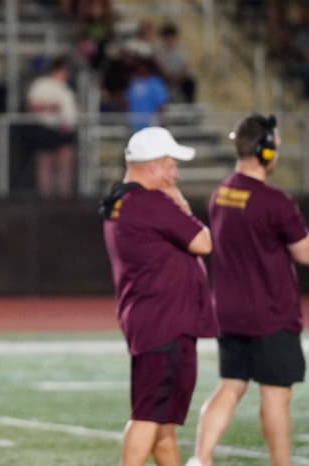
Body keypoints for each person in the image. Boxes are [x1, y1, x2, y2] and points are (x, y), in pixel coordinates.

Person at [186, 114, 308, 466]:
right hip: (270, 312)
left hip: (228, 310)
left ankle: (201, 458)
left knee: (230, 385)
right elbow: (304, 253)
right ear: (265, 151)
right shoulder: (275, 202)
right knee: (276, 394)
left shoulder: (221, 193)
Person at [99, 127, 218, 466]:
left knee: (163, 426)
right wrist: (177, 197)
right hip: (166, 322)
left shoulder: (123, 200)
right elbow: (203, 242)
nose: (174, 174)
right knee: (148, 417)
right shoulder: (149, 202)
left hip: (152, 320)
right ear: (152, 166)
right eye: (170, 165)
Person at [22, 55, 78, 198]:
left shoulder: (66, 88)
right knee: (45, 163)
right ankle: (46, 197)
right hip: (46, 129)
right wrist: (51, 107)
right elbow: (32, 106)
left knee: (66, 163)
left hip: (65, 129)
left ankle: (64, 196)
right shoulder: (42, 84)